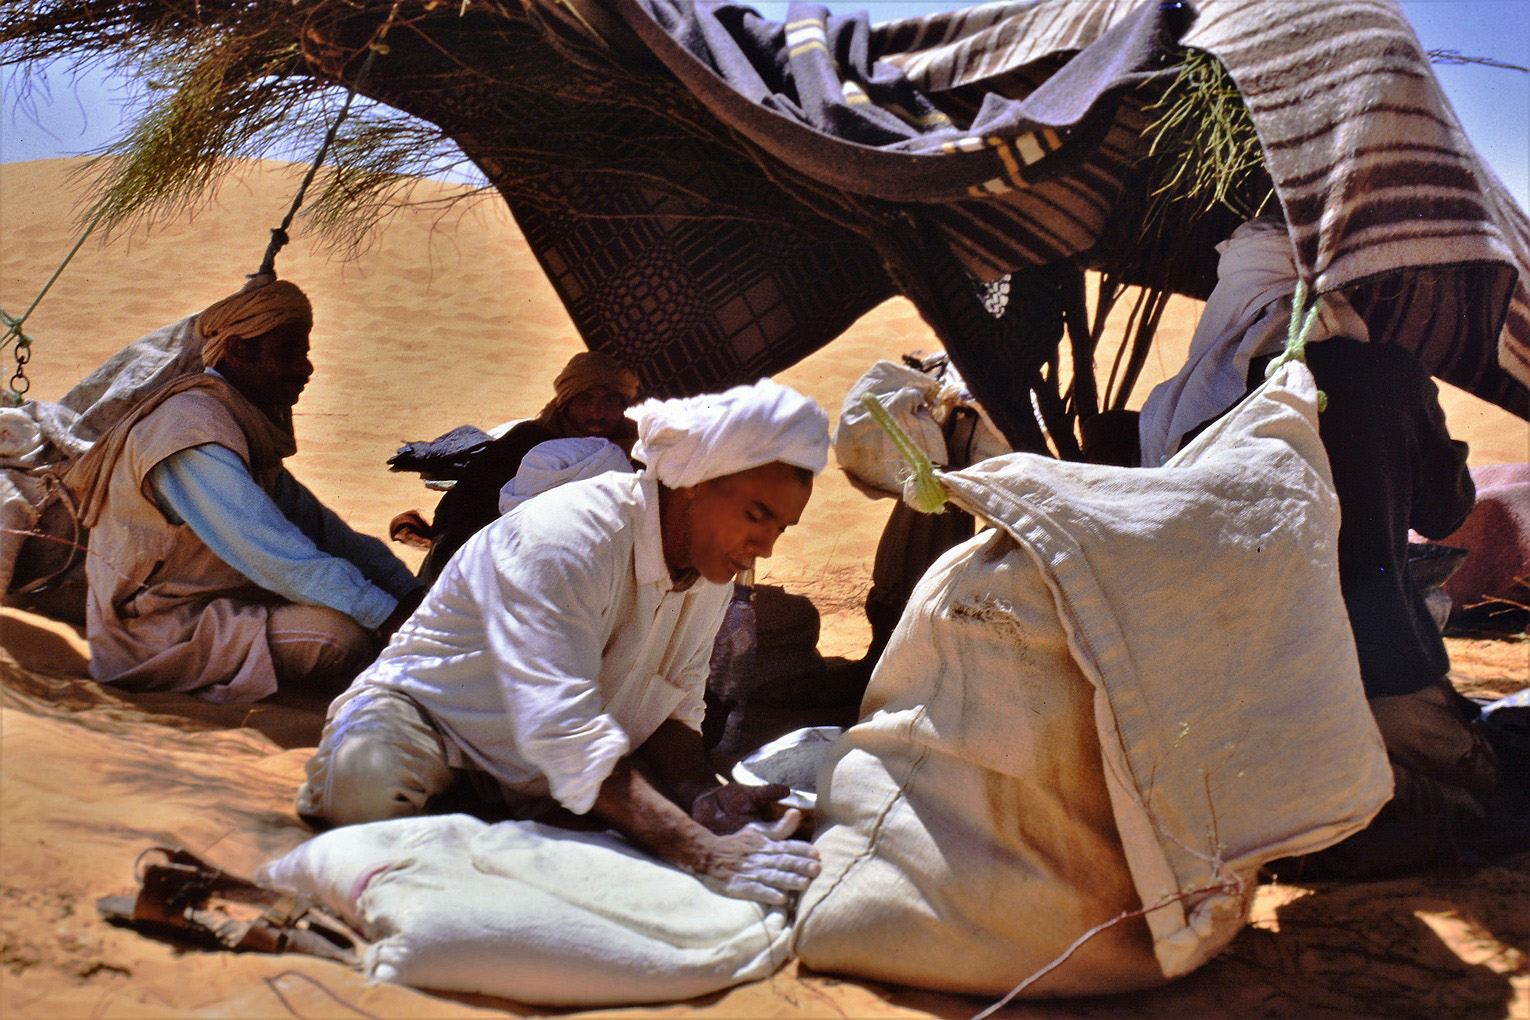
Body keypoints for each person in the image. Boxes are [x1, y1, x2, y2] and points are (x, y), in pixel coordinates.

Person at [296, 379, 829, 906]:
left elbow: (676, 707)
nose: (764, 547)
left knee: (613, 838)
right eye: (756, 516)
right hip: (439, 722)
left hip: (546, 763)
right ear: (697, 483)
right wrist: (701, 851)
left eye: (780, 527)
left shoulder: (710, 568)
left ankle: (499, 824)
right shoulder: (570, 540)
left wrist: (703, 798)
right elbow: (566, 732)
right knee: (363, 794)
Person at [1140, 220, 1504, 875]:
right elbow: (1445, 511)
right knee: (1490, 782)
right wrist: (1429, 426)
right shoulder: (1391, 369)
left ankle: (1331, 810)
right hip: (1389, 683)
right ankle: (1392, 803)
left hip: (1247, 707)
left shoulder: (1186, 404)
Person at [65, 275, 425, 704]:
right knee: (340, 639)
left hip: (220, 606)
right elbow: (270, 551)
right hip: (158, 628)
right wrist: (388, 616)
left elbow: (325, 532)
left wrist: (412, 595)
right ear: (238, 351)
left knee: (356, 606)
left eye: (305, 353)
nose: (305, 368)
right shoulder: (188, 432)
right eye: (288, 354)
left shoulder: (236, 422)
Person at [411, 350, 641, 582]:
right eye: (586, 400)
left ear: (623, 405)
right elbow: (464, 507)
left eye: (609, 400)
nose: (597, 412)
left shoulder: (640, 455)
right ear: (567, 404)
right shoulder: (527, 442)